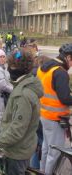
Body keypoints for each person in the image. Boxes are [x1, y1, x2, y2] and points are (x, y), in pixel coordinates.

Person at [0, 49, 43, 175]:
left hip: (18, 151)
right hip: (23, 145)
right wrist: (1, 127)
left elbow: (16, 131)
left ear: (17, 69)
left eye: (11, 66)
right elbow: (18, 120)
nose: (8, 69)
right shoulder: (22, 85)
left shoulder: (23, 95)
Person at [37, 43, 72, 175]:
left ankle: (42, 171)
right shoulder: (60, 72)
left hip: (44, 115)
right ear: (68, 58)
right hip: (55, 118)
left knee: (46, 148)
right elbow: (65, 98)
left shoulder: (44, 68)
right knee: (55, 153)